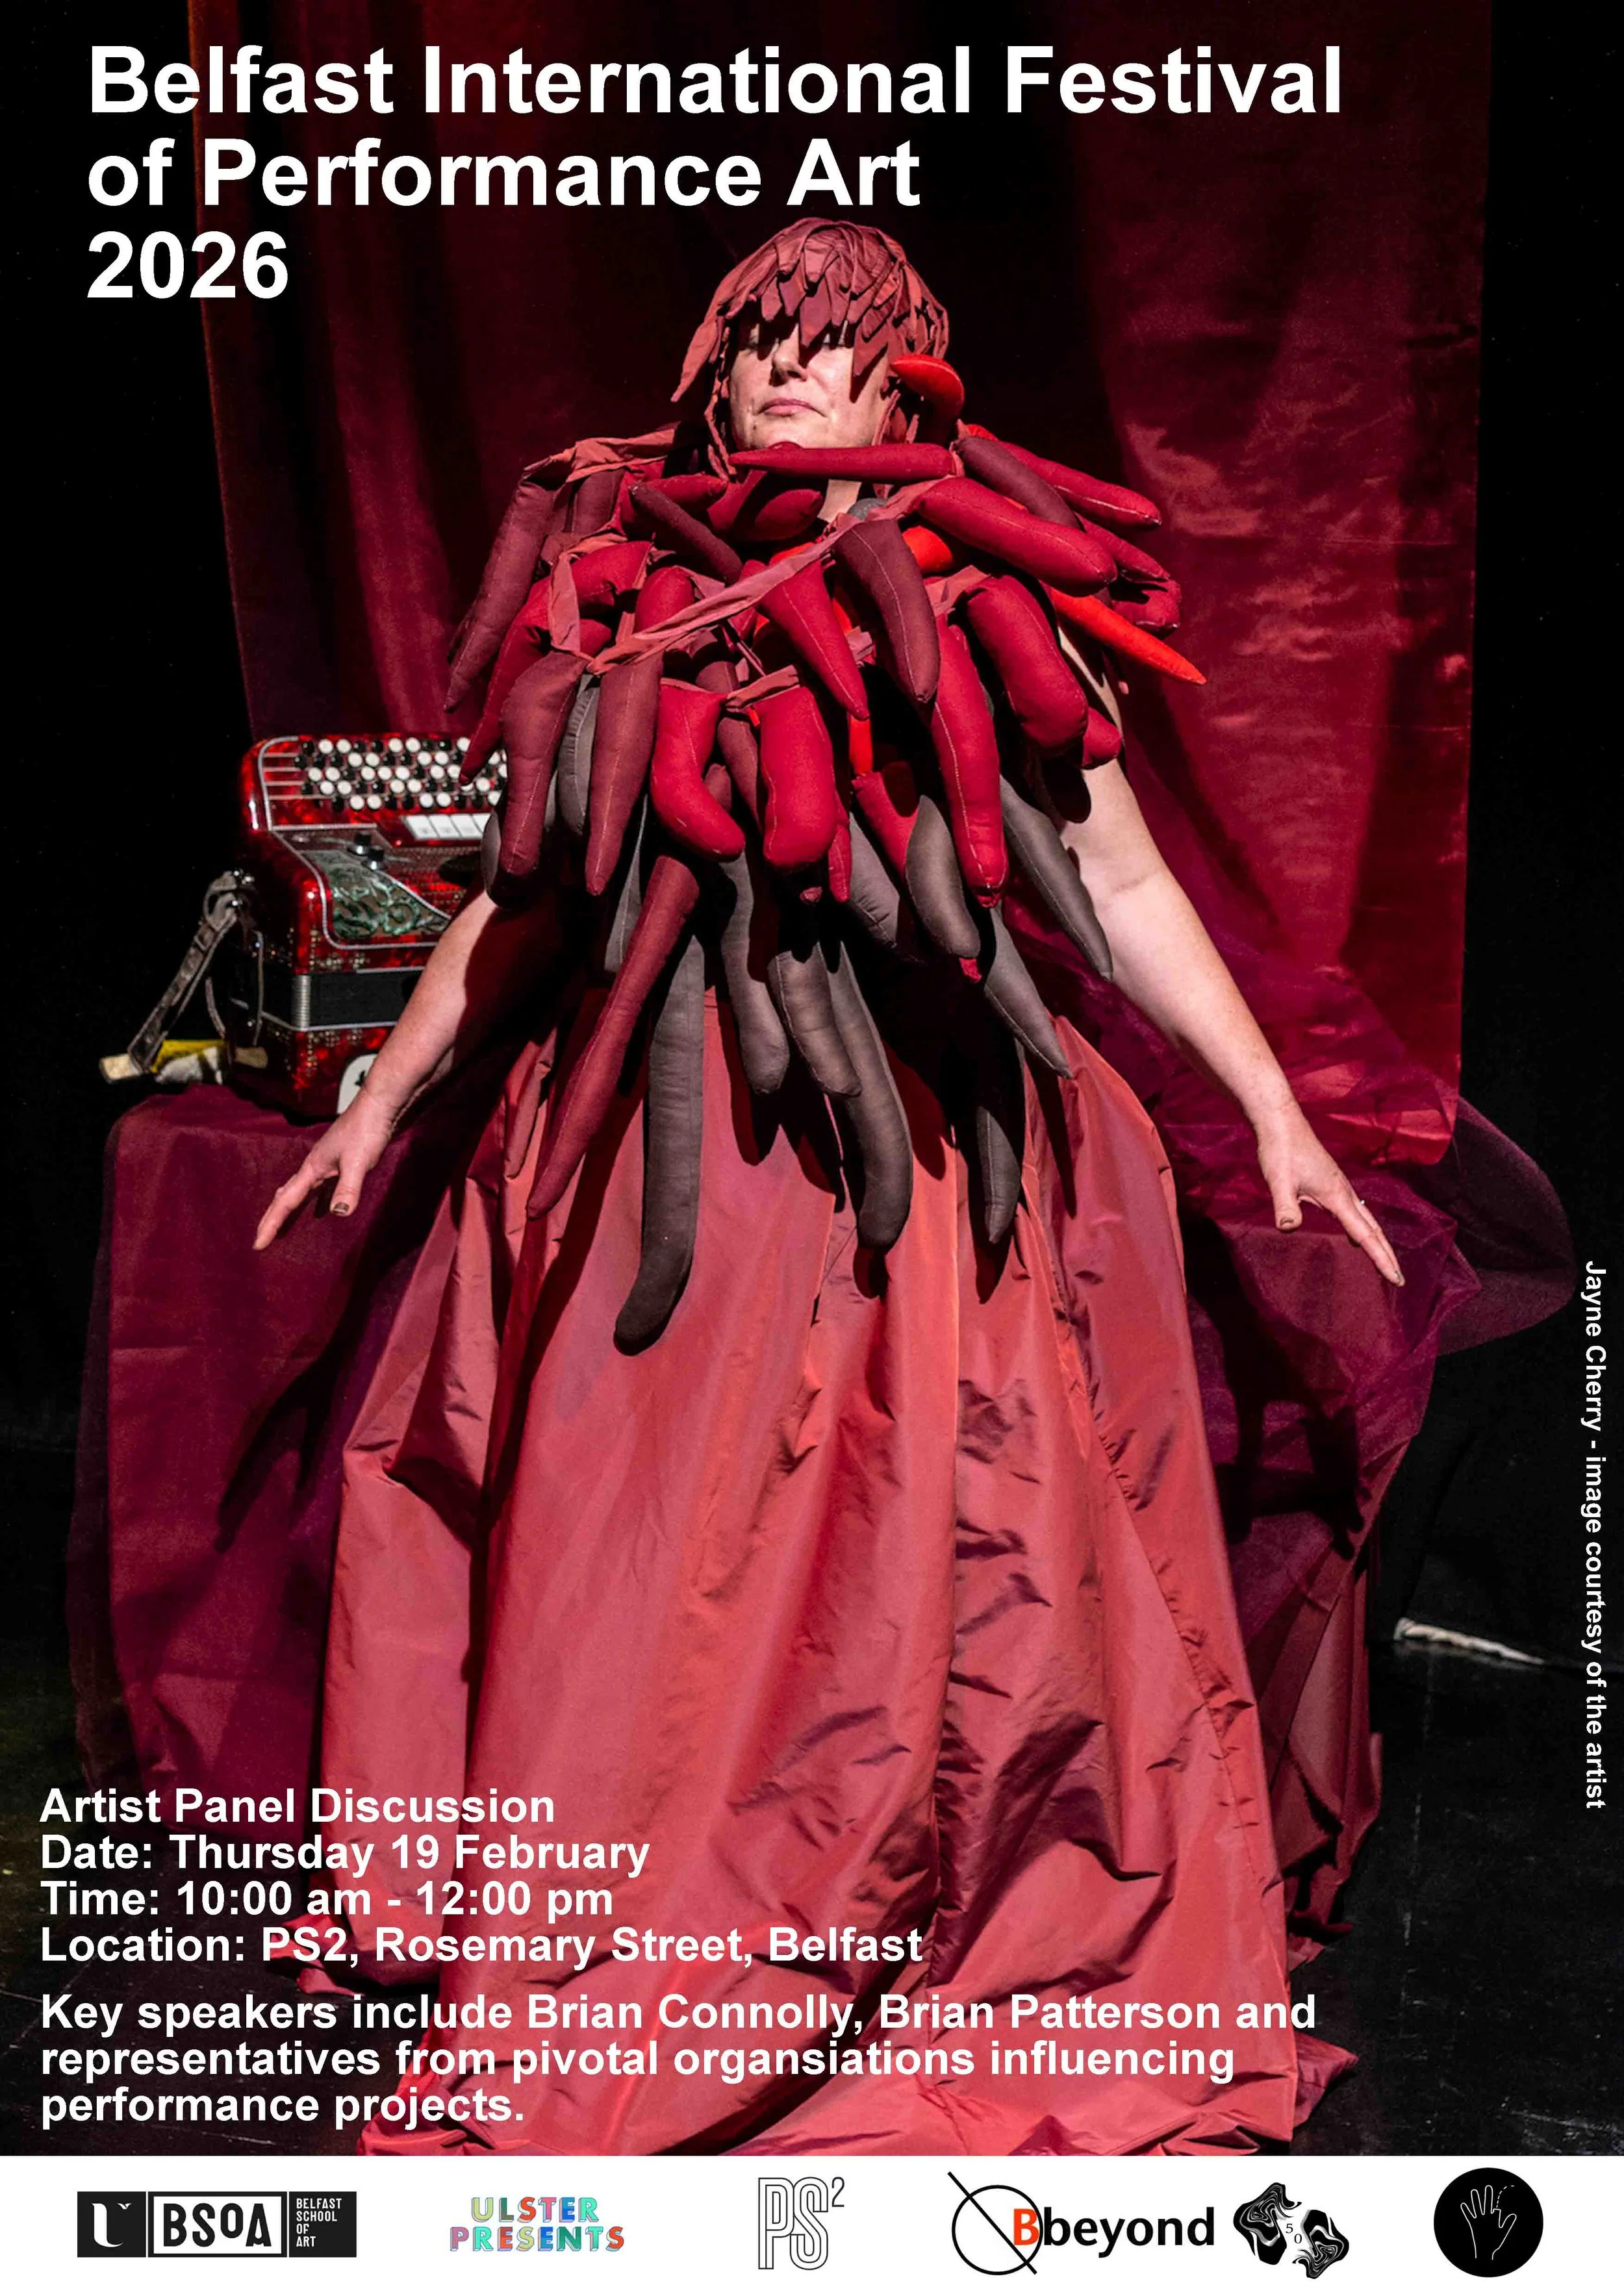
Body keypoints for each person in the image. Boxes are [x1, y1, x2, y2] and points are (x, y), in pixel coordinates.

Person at [255, 223, 1400, 2154]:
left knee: (932, 1553)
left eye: (837, 347)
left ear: (904, 385)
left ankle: (891, 1908)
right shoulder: (605, 581)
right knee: (638, 1573)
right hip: (648, 1146)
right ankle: (642, 1925)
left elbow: (1112, 883)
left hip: (911, 1146)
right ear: (713, 369)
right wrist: (387, 1088)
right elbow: (519, 895)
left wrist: (1269, 1103)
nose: (797, 370)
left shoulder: (961, 584)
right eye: (768, 339)